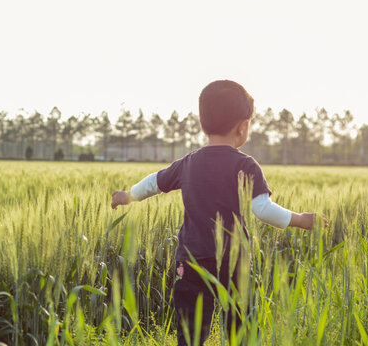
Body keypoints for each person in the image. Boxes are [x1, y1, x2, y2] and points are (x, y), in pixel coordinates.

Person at [110, 80, 328, 345]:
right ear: (243, 126)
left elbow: (153, 183)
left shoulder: (188, 163)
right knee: (240, 327)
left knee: (190, 332)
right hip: (232, 261)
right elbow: (262, 210)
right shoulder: (246, 164)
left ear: (203, 124)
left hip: (190, 261)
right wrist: (302, 220)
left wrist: (127, 196)